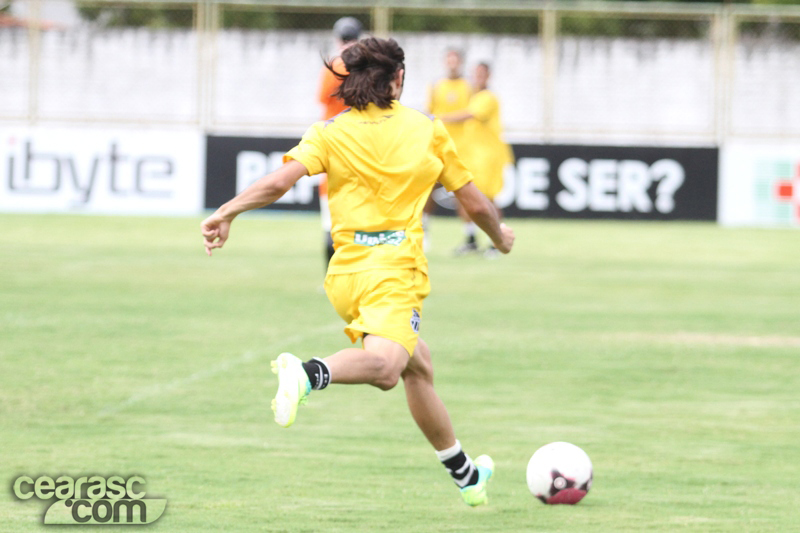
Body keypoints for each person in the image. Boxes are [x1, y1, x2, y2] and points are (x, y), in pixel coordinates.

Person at [201, 37, 515, 507]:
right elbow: (473, 201)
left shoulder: (330, 131)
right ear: (399, 79)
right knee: (388, 367)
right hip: (393, 272)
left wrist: (226, 212)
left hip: (345, 276)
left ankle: (466, 475)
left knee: (417, 365)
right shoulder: (426, 129)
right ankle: (307, 374)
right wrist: (500, 237)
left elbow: (278, 182)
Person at [440, 62, 513, 257]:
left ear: (488, 76)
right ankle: (471, 240)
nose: (478, 77)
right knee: (464, 197)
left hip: (488, 158)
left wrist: (438, 117)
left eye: (482, 73)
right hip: (471, 155)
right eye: (476, 73)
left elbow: (469, 115)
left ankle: (496, 242)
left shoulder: (487, 97)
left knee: (487, 199)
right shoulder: (473, 96)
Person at [317, 16, 363, 267]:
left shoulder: (333, 66)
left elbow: (323, 99)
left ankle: (331, 278)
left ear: (337, 39)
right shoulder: (368, 68)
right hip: (364, 144)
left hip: (334, 145)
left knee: (330, 222)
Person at [423, 48, 472, 249]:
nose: (452, 63)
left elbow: (471, 113)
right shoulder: (436, 85)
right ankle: (423, 232)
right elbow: (429, 112)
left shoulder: (469, 86)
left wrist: (444, 117)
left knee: (464, 192)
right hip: (437, 146)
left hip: (461, 148)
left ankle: (470, 237)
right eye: (449, 59)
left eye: (456, 60)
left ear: (460, 62)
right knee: (426, 189)